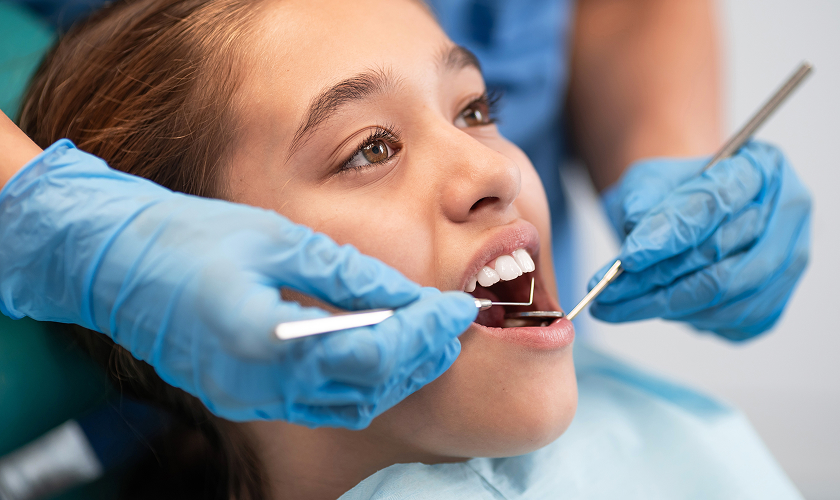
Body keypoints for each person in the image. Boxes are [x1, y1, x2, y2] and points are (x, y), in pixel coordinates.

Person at [17, 0, 805, 498]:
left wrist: (674, 147)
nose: (495, 169)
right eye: (370, 148)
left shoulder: (641, 415)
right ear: (190, 276)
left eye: (473, 109)